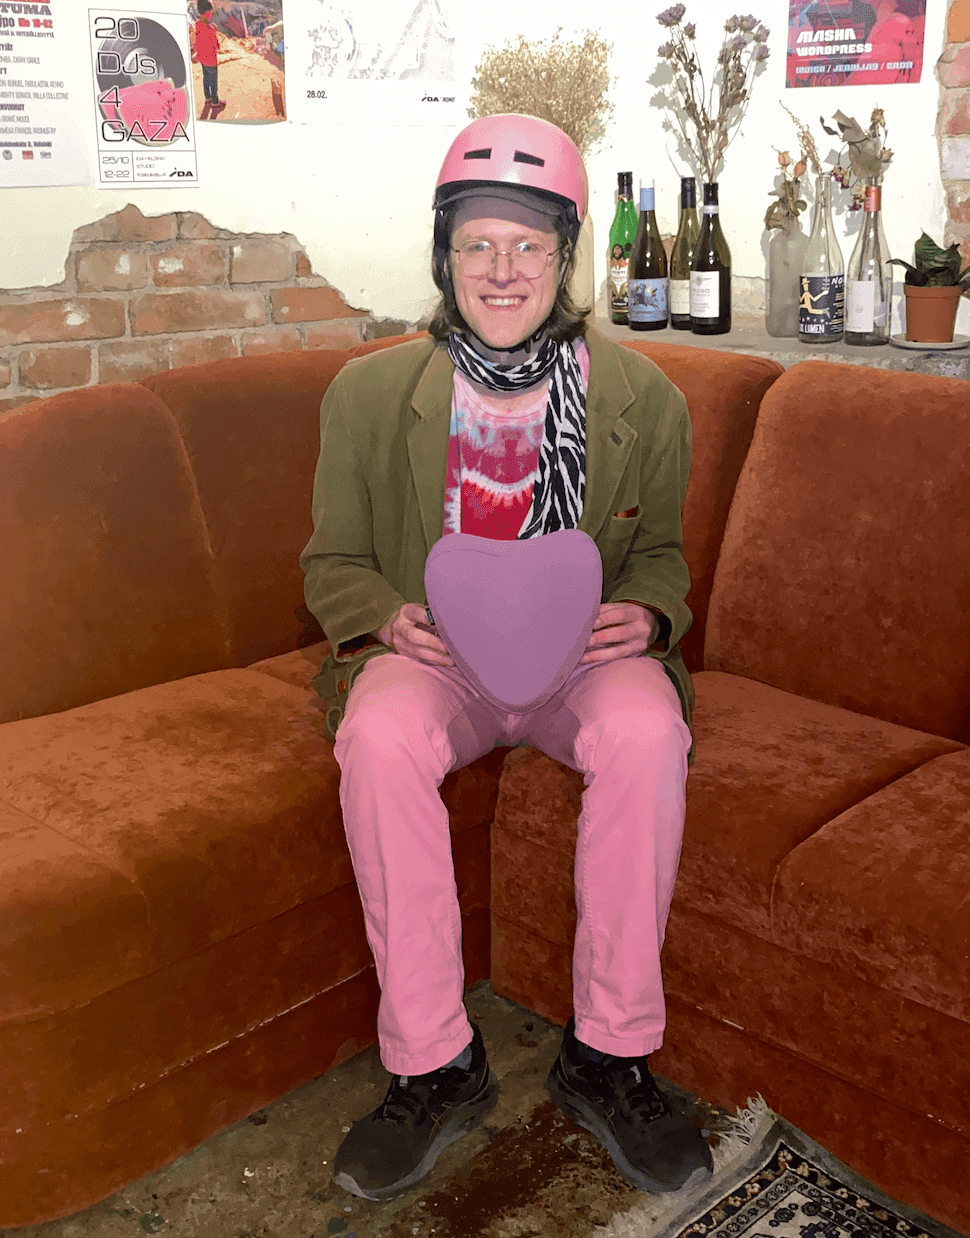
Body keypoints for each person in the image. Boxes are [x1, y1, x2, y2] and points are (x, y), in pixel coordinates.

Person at [300, 113, 712, 1203]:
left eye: (528, 245)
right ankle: (434, 1063)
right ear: (444, 255)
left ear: (564, 256)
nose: (502, 267)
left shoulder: (646, 399)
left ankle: (610, 1053)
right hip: (438, 656)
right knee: (378, 734)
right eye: (477, 243)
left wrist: (648, 612)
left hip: (582, 658)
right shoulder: (366, 396)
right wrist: (386, 617)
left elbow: (663, 556)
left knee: (648, 731)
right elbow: (330, 562)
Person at [194, 0, 225, 118]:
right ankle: (215, 102)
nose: (211, 13)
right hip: (211, 60)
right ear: (207, 12)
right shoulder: (210, 30)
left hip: (202, 59)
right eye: (210, 11)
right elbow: (216, 46)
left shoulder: (197, 24)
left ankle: (207, 97)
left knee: (206, 78)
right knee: (213, 81)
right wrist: (214, 31)